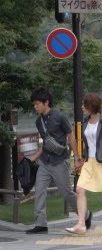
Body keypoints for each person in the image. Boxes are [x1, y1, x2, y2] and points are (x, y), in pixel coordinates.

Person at [26, 88, 85, 234]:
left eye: (37, 104)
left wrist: (77, 158)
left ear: (46, 103)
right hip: (44, 162)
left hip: (60, 161)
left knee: (66, 192)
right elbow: (45, 142)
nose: (35, 107)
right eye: (34, 104)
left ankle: (84, 216)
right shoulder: (38, 121)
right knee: (39, 191)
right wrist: (34, 158)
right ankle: (41, 224)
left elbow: (71, 138)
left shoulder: (60, 117)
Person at [66, 93, 102, 236]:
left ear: (92, 105)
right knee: (80, 189)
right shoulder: (85, 122)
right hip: (89, 162)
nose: (81, 107)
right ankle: (81, 224)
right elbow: (88, 144)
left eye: (84, 104)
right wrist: (80, 159)